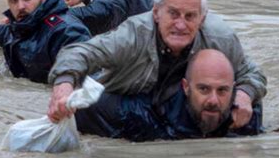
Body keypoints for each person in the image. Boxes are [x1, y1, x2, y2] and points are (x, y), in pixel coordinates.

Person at [48, 0, 267, 130]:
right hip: (132, 103)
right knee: (84, 107)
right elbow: (78, 53)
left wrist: (245, 94)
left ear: (202, 18)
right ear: (156, 13)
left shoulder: (221, 38)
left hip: (181, 104)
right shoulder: (132, 35)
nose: (180, 25)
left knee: (251, 111)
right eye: (173, 14)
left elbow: (252, 75)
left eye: (190, 16)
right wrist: (63, 86)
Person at [75, 49, 263, 141]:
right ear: (186, 87)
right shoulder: (142, 115)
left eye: (222, 91)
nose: (214, 100)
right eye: (204, 89)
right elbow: (84, 104)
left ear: (233, 89)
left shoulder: (245, 115)